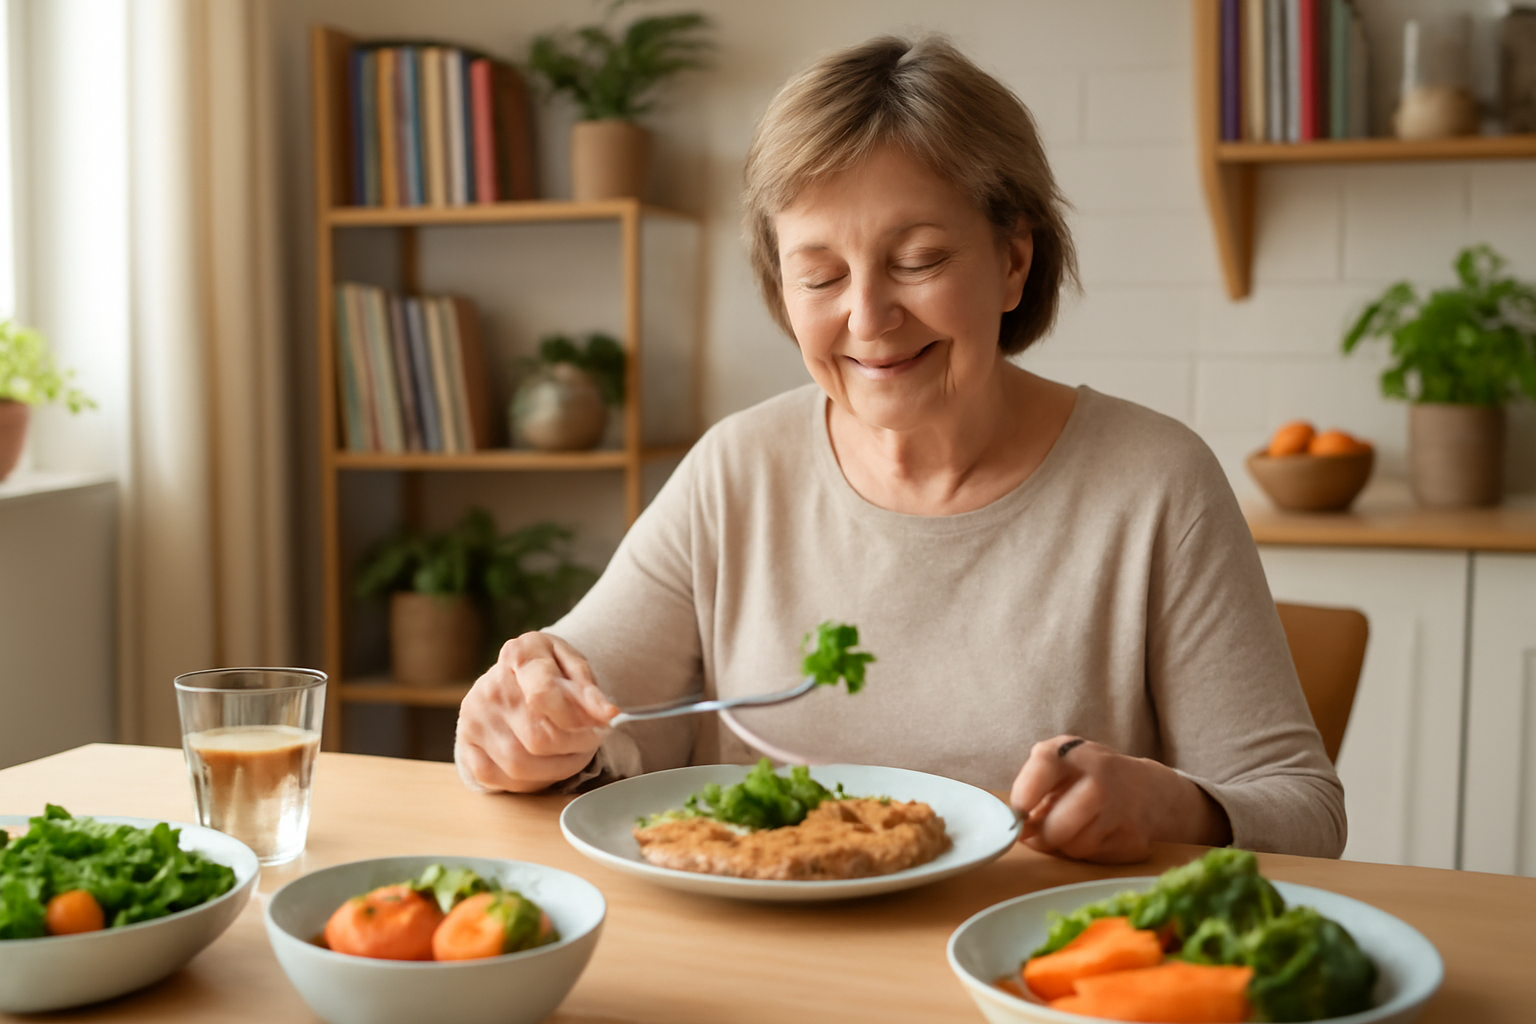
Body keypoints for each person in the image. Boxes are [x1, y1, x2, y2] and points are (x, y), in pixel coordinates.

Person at [455, 36, 1345, 863]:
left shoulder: (1155, 484)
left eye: (917, 260)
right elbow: (586, 721)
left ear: (1012, 262)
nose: (869, 320)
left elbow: (1304, 808)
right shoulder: (737, 471)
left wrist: (1177, 807)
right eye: (821, 276)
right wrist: (525, 730)